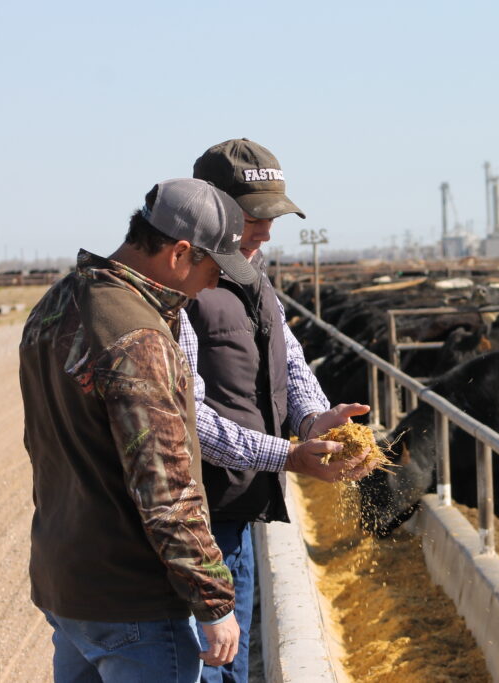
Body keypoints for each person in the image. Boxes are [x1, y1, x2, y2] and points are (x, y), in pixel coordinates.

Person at [20, 178, 261, 682]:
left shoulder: (56, 303)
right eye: (214, 269)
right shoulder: (139, 338)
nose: (213, 285)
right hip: (133, 603)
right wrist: (214, 602)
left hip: (66, 583)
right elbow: (166, 488)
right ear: (179, 252)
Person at [179, 138, 375, 683]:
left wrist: (314, 418)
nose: (266, 231)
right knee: (207, 671)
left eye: (273, 216)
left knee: (231, 666)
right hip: (198, 516)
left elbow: (290, 360)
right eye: (253, 217)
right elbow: (188, 418)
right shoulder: (181, 289)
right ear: (209, 209)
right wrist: (288, 456)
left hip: (240, 508)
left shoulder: (255, 275)